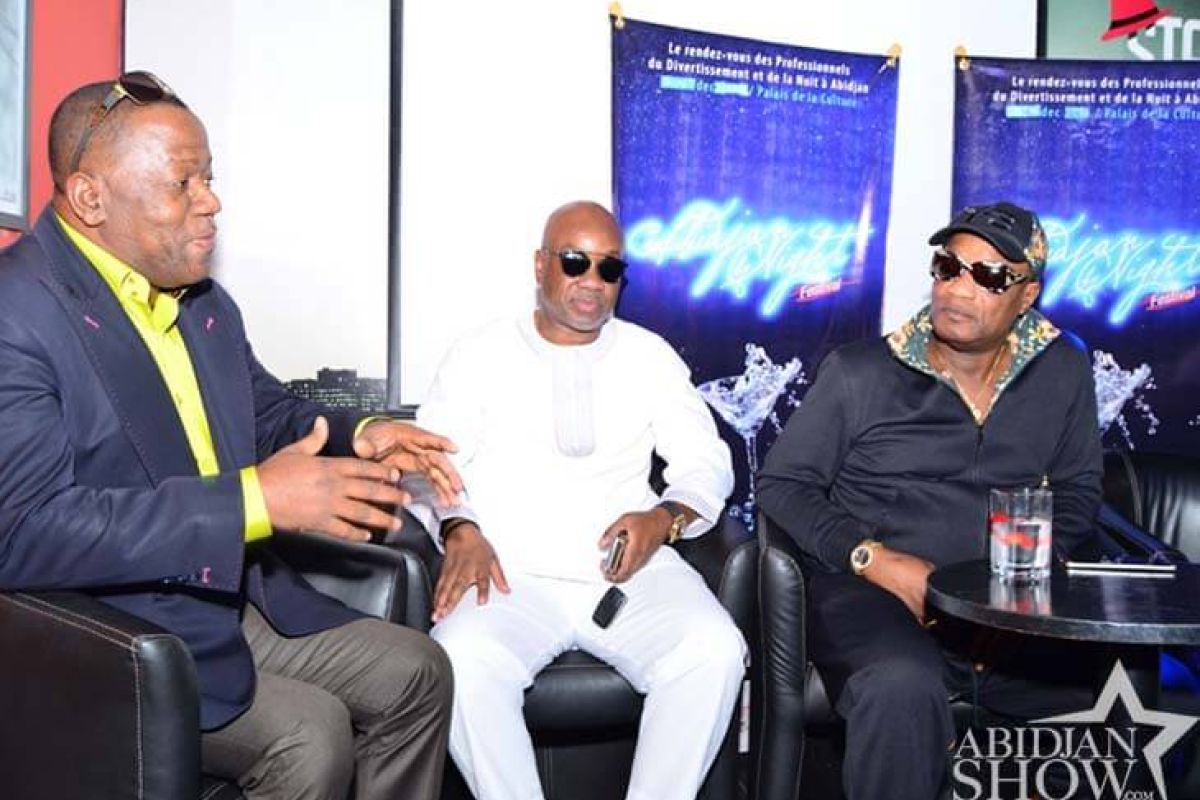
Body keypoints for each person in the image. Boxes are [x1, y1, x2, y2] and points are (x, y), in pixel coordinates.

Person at [0, 73, 457, 800]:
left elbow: (267, 413)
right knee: (311, 734)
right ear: (90, 199)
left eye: (208, 178)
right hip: (117, 633)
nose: (210, 201)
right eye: (182, 183)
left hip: (225, 600)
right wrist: (253, 502)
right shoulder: (17, 313)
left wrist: (363, 432)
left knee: (419, 672)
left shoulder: (203, 302)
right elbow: (25, 531)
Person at [757, 201, 1104, 800]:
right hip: (870, 592)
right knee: (900, 686)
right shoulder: (860, 372)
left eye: (989, 276)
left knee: (1118, 689)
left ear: (1027, 295)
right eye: (948, 267)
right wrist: (871, 557)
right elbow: (781, 485)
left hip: (1001, 603)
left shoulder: (1063, 369)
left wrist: (1018, 591)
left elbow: (1077, 490)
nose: (958, 289)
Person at [402, 201, 747, 800]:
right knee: (459, 661)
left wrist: (664, 518)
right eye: (574, 262)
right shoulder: (479, 354)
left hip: (627, 572)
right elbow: (428, 465)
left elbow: (706, 462)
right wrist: (461, 528)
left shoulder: (649, 355)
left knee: (714, 650)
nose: (592, 281)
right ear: (540, 265)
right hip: (509, 573)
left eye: (609, 268)